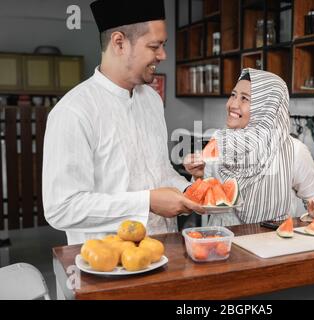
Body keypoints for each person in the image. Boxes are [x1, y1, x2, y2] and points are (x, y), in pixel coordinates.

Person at [43, 0, 204, 245]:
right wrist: (147, 202)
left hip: (163, 252)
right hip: (107, 268)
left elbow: (159, 173)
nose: (163, 55)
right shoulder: (73, 111)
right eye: (155, 46)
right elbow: (62, 208)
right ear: (119, 42)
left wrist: (189, 191)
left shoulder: (151, 99)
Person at [184, 68, 314, 226]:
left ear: (266, 108)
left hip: (272, 244)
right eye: (233, 95)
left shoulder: (294, 151)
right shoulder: (219, 141)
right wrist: (198, 176)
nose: (232, 104)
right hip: (220, 241)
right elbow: (205, 199)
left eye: (245, 99)